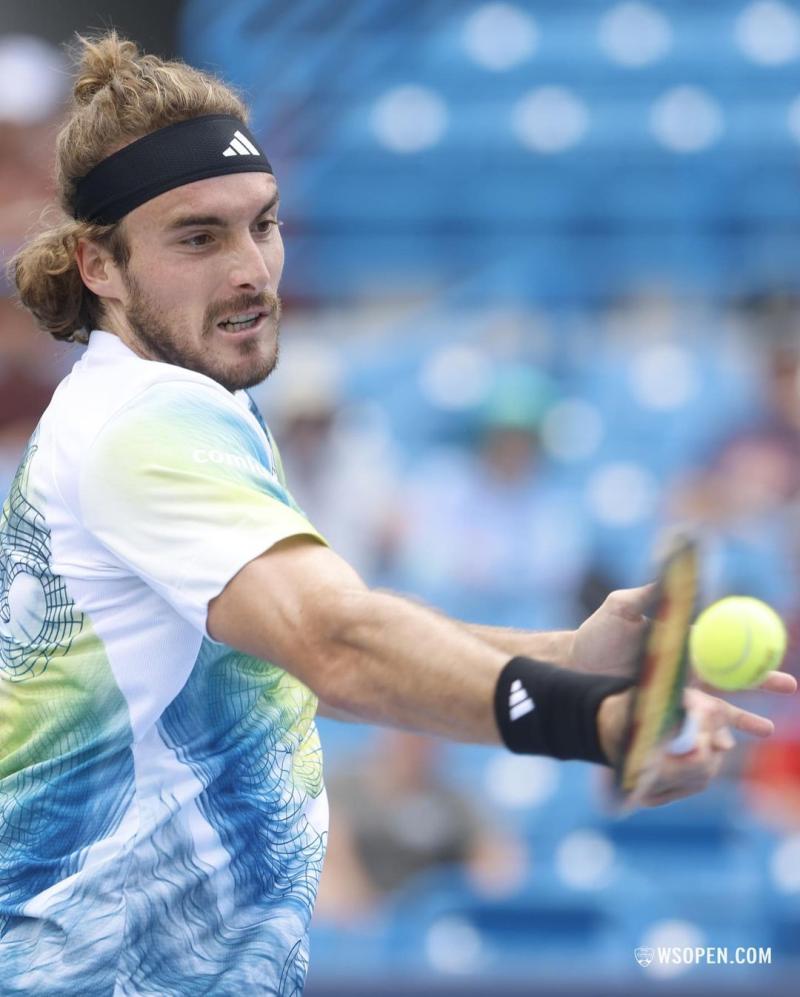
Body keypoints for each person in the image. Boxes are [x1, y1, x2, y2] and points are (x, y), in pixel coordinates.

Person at [1, 33, 793, 997]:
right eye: (198, 238)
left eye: (264, 225)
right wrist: (592, 718)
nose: (252, 269)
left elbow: (284, 668)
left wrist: (565, 656)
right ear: (100, 265)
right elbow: (337, 642)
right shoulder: (151, 423)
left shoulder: (146, 408)